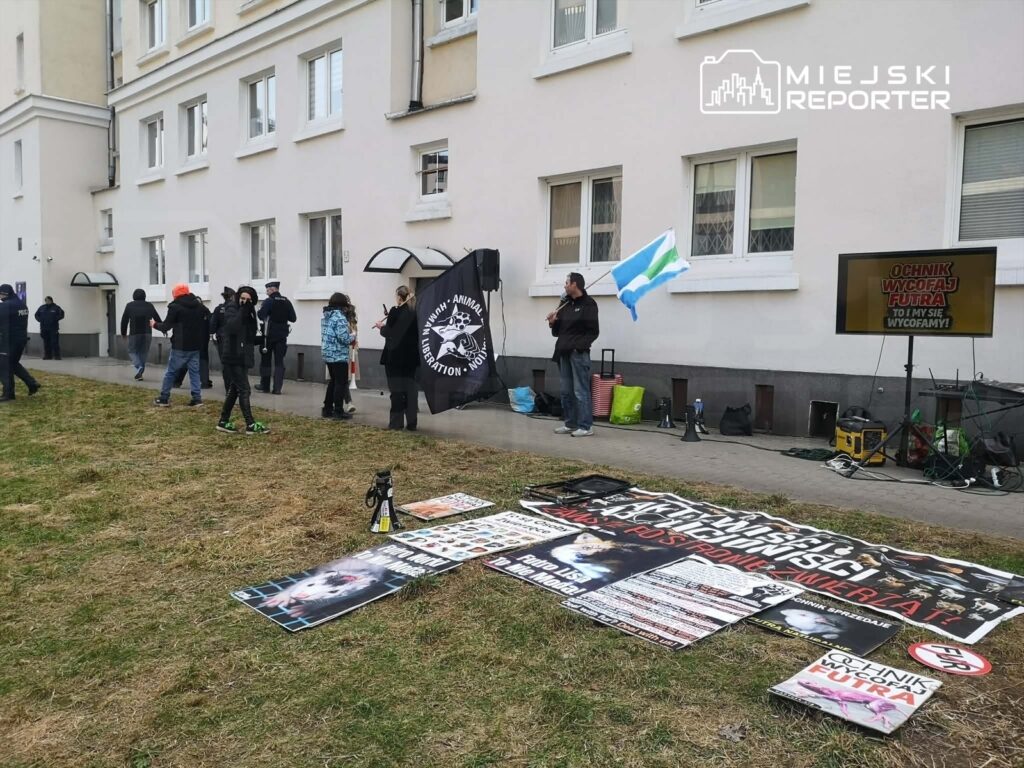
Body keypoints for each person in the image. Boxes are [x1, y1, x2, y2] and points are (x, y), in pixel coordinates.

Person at [546, 272, 599, 437]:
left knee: (580, 391)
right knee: (566, 391)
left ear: (574, 284)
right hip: (563, 352)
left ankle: (586, 426)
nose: (564, 285)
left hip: (578, 354)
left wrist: (578, 347)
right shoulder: (566, 304)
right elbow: (557, 332)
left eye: (567, 282)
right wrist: (552, 323)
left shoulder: (589, 304)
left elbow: (593, 332)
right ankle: (570, 423)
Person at [215, 286, 270, 435]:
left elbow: (247, 336)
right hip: (233, 355)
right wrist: (243, 311)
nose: (245, 302)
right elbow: (232, 327)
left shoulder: (249, 312)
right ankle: (250, 424)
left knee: (234, 389)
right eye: (242, 298)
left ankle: (223, 421)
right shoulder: (232, 308)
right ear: (238, 297)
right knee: (244, 390)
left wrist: (263, 338)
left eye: (248, 300)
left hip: (243, 355)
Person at [152, 283, 207, 407]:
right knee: (194, 373)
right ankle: (197, 399)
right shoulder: (199, 306)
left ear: (175, 295)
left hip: (180, 346)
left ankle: (164, 398)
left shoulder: (175, 307)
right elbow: (207, 316)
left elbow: (166, 326)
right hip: (195, 345)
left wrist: (154, 324)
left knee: (171, 372)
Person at [375, 285, 419, 430]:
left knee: (396, 391)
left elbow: (390, 333)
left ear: (399, 297)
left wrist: (381, 326)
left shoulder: (395, 311)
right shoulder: (415, 312)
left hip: (394, 358)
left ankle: (396, 423)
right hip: (411, 359)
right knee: (410, 391)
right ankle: (412, 423)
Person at [0, 283, 41, 401]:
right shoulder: (22, 305)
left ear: (4, 293)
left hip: (8, 341)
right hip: (21, 339)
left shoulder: (6, 306)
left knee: (4, 366)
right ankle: (32, 383)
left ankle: (8, 394)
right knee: (13, 363)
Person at [256, 281, 296, 394]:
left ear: (273, 290)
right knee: (279, 362)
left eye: (268, 290)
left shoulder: (269, 301)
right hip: (282, 336)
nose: (266, 292)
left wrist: (261, 311)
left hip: (268, 336)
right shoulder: (287, 301)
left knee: (266, 361)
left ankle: (265, 386)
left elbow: (261, 316)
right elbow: (293, 318)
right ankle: (277, 388)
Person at [320, 292, 353, 420]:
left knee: (333, 381)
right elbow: (344, 338)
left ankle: (327, 408)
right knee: (340, 382)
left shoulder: (327, 315)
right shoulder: (339, 317)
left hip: (328, 353)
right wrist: (353, 336)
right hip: (338, 354)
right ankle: (338, 411)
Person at [120, 288, 162, 380]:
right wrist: (163, 329)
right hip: (147, 333)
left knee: (132, 351)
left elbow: (124, 320)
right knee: (143, 352)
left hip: (134, 333)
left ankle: (139, 367)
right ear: (144, 296)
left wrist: (123, 333)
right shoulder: (149, 305)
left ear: (134, 296)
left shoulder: (129, 306)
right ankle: (140, 374)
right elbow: (157, 318)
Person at [209, 286, 235, 388]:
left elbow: (213, 325)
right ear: (232, 297)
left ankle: (228, 388)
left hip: (222, 339)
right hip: (235, 339)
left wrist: (212, 334)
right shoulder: (237, 308)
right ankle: (236, 386)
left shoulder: (218, 309)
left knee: (225, 364)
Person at [341, 296, 358, 414]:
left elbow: (354, 334)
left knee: (341, 380)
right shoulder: (347, 318)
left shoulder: (348, 319)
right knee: (340, 380)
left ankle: (347, 402)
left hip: (347, 350)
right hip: (345, 350)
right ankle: (346, 402)